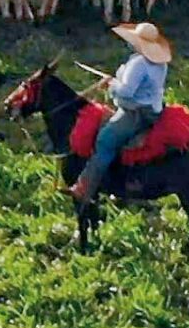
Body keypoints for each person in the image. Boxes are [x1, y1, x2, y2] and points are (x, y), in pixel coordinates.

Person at [69, 21, 174, 204]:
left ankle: (84, 188)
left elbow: (126, 92)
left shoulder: (138, 63)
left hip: (135, 112)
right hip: (153, 110)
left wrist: (112, 85)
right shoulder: (160, 63)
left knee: (105, 141)